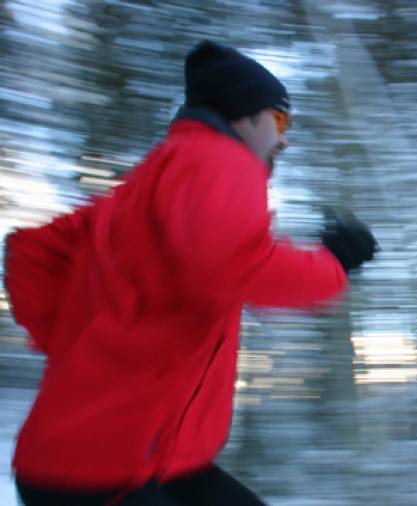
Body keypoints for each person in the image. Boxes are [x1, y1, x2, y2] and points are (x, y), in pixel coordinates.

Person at [3, 40, 377, 505]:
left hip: (119, 458)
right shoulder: (222, 161)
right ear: (244, 115)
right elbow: (228, 266)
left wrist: (74, 344)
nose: (284, 138)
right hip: (102, 471)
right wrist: (332, 263)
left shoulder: (151, 179)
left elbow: (32, 252)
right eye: (280, 119)